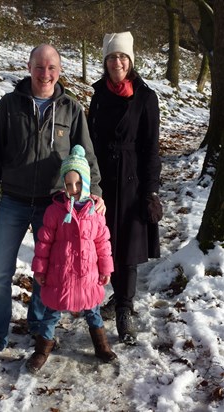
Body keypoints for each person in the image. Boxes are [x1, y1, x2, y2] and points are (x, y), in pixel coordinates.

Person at [0, 44, 104, 362]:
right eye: (40, 67)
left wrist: (94, 191)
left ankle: (38, 328)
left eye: (52, 68)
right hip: (12, 202)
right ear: (29, 67)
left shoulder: (71, 109)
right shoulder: (8, 106)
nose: (45, 74)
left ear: (60, 71)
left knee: (50, 273)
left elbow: (85, 153)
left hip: (55, 204)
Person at [87, 32, 162, 345]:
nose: (117, 62)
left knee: (128, 246)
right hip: (103, 179)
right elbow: (87, 142)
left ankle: (125, 310)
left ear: (130, 61)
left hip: (132, 178)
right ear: (105, 61)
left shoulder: (146, 97)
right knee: (107, 243)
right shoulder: (99, 95)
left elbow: (151, 147)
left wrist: (151, 191)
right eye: (111, 57)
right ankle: (116, 298)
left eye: (122, 57)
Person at [26, 145, 117, 373]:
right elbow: (44, 243)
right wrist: (40, 270)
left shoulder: (95, 212)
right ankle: (41, 350)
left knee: (93, 312)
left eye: (78, 183)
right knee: (51, 313)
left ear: (86, 182)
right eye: (68, 184)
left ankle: (101, 346)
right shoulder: (55, 211)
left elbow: (103, 244)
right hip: (61, 275)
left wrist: (106, 269)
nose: (73, 189)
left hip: (88, 275)